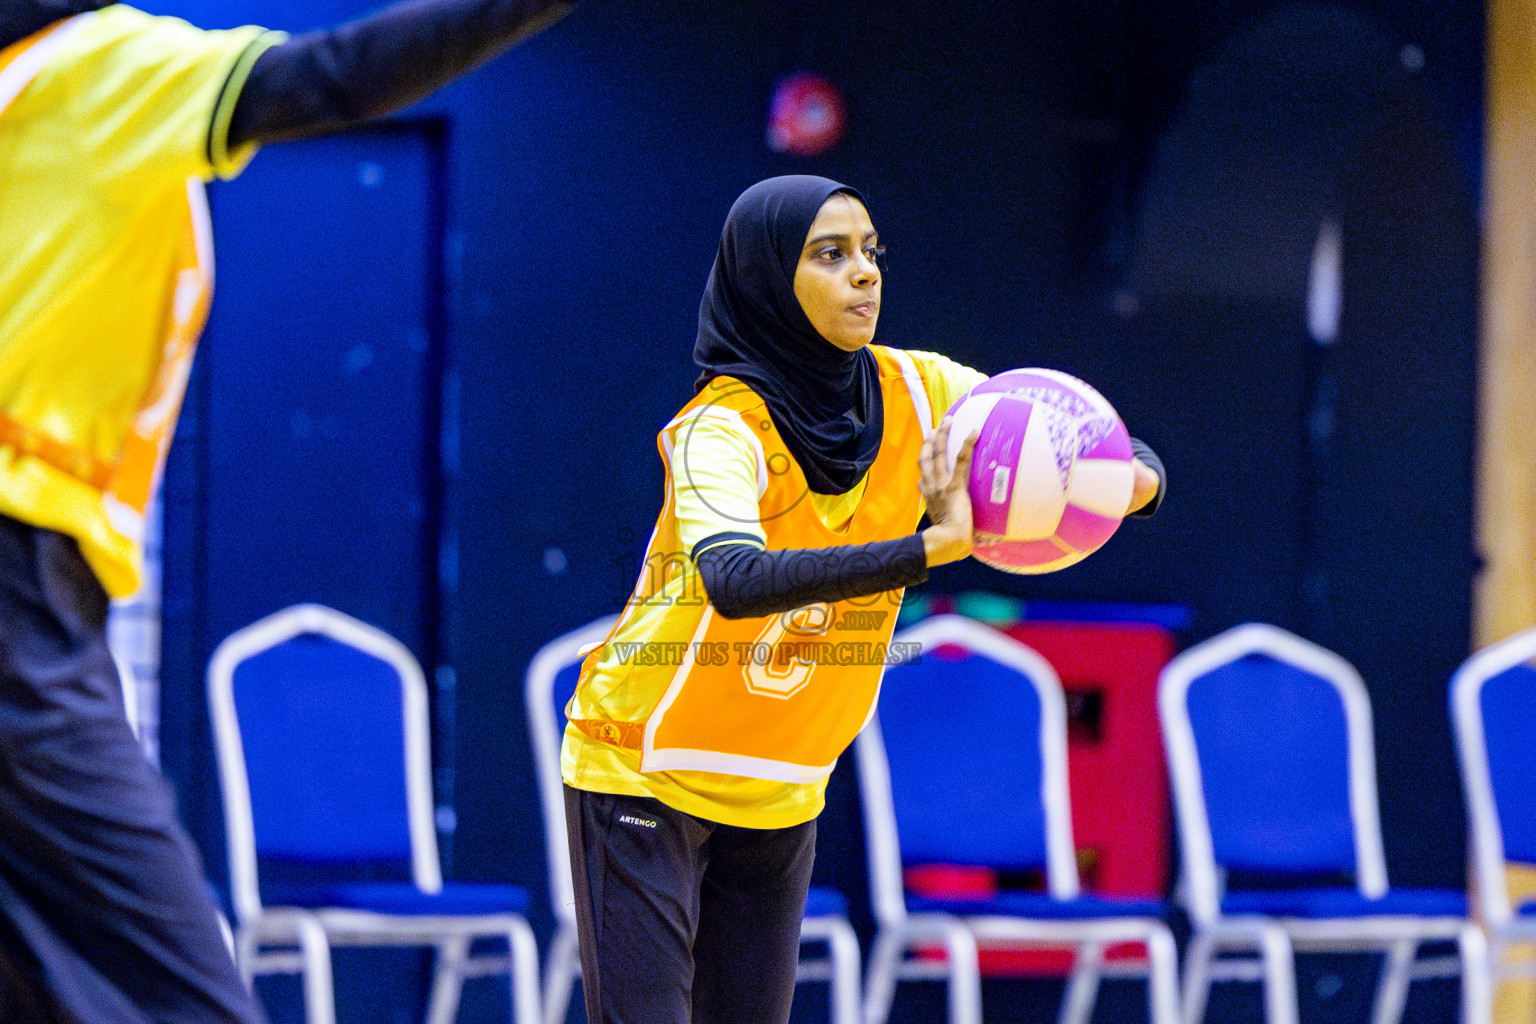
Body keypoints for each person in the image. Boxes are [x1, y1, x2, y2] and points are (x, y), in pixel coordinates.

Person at [0, 1, 576, 1020]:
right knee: (187, 994)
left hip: (40, 581)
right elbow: (338, 75)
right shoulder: (100, 63)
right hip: (16, 584)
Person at [560, 174, 1166, 1024]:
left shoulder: (924, 393)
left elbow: (1091, 435)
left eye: (872, 252)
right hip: (642, 769)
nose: (866, 274)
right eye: (831, 254)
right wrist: (928, 550)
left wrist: (1125, 480)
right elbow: (735, 584)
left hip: (783, 781)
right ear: (769, 278)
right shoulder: (717, 431)